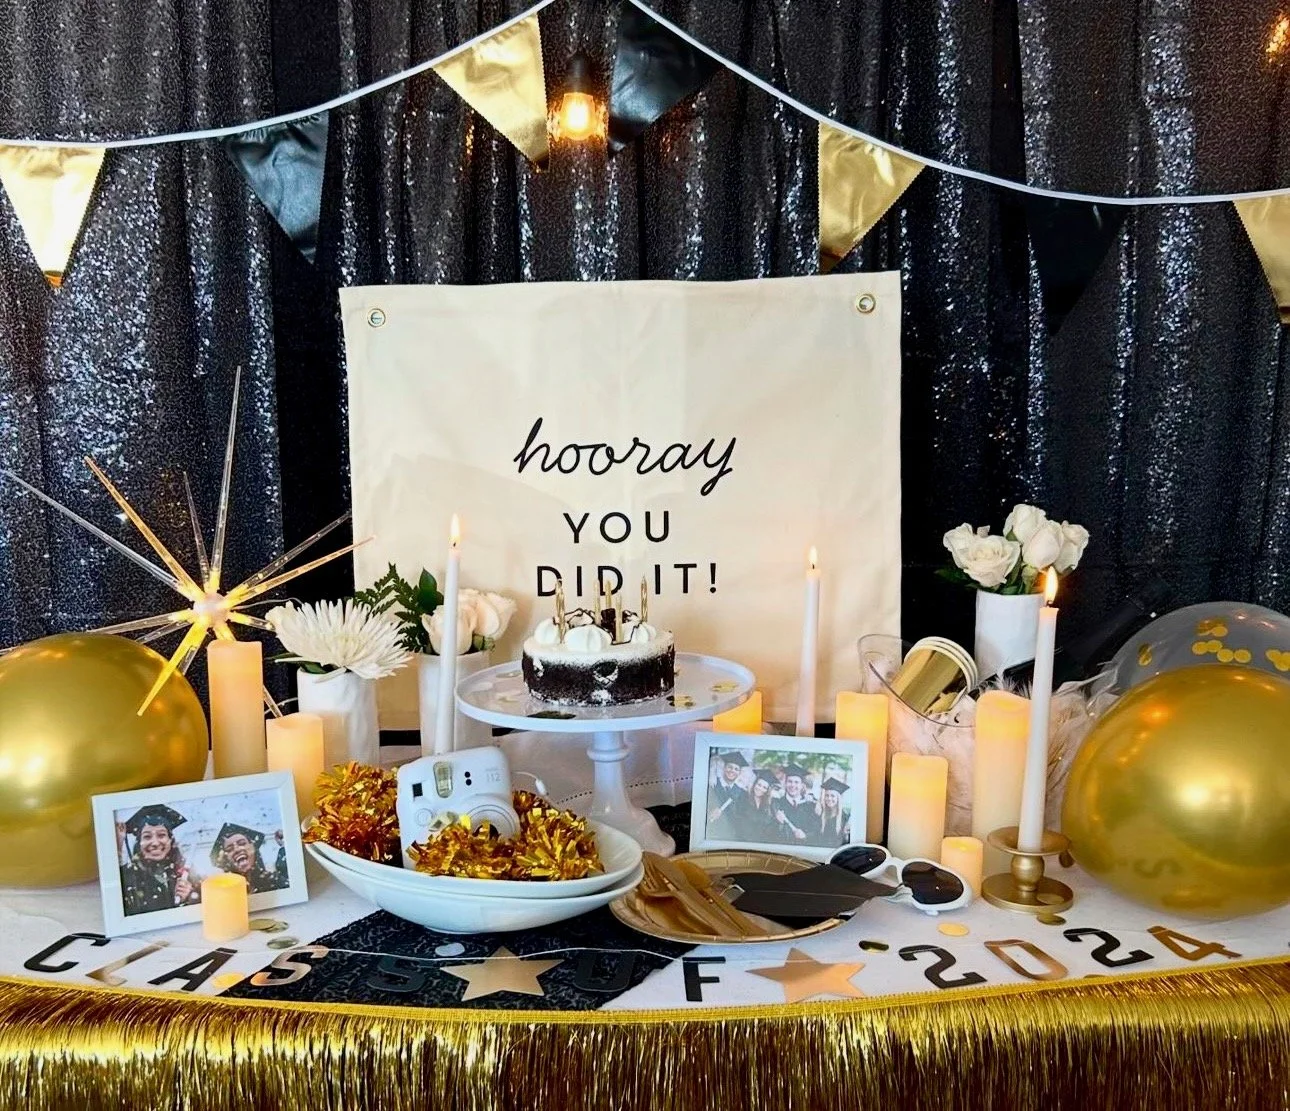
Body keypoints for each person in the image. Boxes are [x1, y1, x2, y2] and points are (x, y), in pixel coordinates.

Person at [116, 804, 200, 915]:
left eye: (161, 835)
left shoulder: (187, 876)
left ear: (171, 840)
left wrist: (187, 899)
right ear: (138, 843)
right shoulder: (129, 877)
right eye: (147, 836)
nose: (155, 843)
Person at [210, 822, 288, 894]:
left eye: (242, 843)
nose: (237, 849)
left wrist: (284, 846)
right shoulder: (226, 894)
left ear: (254, 848)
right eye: (229, 849)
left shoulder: (276, 882)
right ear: (225, 858)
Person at [733, 768, 786, 844]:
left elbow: (772, 830)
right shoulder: (743, 799)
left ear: (767, 790)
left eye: (764, 787)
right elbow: (737, 821)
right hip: (743, 842)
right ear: (755, 784)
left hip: (763, 844)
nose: (760, 788)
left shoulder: (770, 805)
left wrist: (779, 822)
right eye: (759, 785)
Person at [707, 751, 749, 839]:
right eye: (730, 767)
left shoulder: (741, 792)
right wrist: (710, 812)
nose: (732, 771)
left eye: (736, 769)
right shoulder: (712, 784)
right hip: (713, 834)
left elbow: (743, 817)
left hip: (732, 835)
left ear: (739, 773)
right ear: (724, 768)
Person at [773, 764, 813, 843]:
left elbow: (817, 831)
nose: (792, 785)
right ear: (785, 783)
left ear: (802, 785)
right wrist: (777, 822)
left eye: (796, 782)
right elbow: (767, 833)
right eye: (790, 781)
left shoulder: (810, 806)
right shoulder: (776, 804)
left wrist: (806, 836)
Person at [809, 777, 852, 848]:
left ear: (838, 798)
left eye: (832, 796)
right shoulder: (820, 814)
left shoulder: (845, 818)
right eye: (827, 795)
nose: (829, 799)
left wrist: (846, 835)